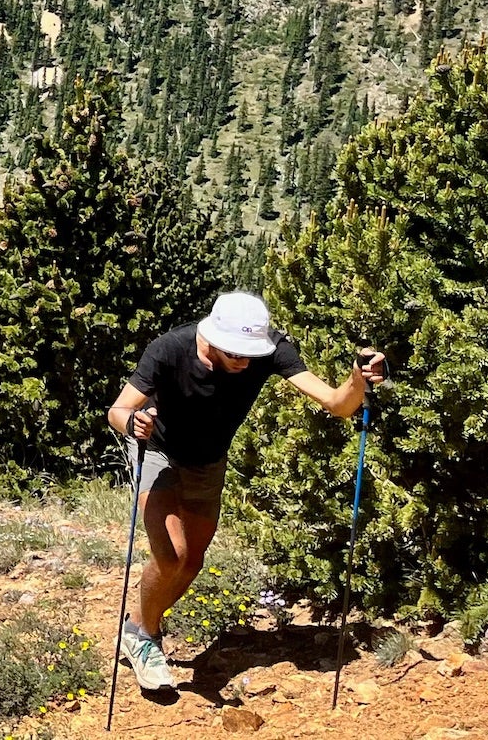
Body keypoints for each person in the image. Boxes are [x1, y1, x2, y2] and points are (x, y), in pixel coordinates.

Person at [103, 290, 386, 690]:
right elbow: (117, 410)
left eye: (248, 353)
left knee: (193, 562)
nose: (243, 360)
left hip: (209, 463)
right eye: (234, 352)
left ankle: (137, 626)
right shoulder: (169, 349)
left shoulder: (271, 350)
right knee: (171, 556)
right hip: (160, 453)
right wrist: (132, 424)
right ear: (212, 338)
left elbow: (338, 404)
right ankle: (145, 637)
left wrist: (358, 379)